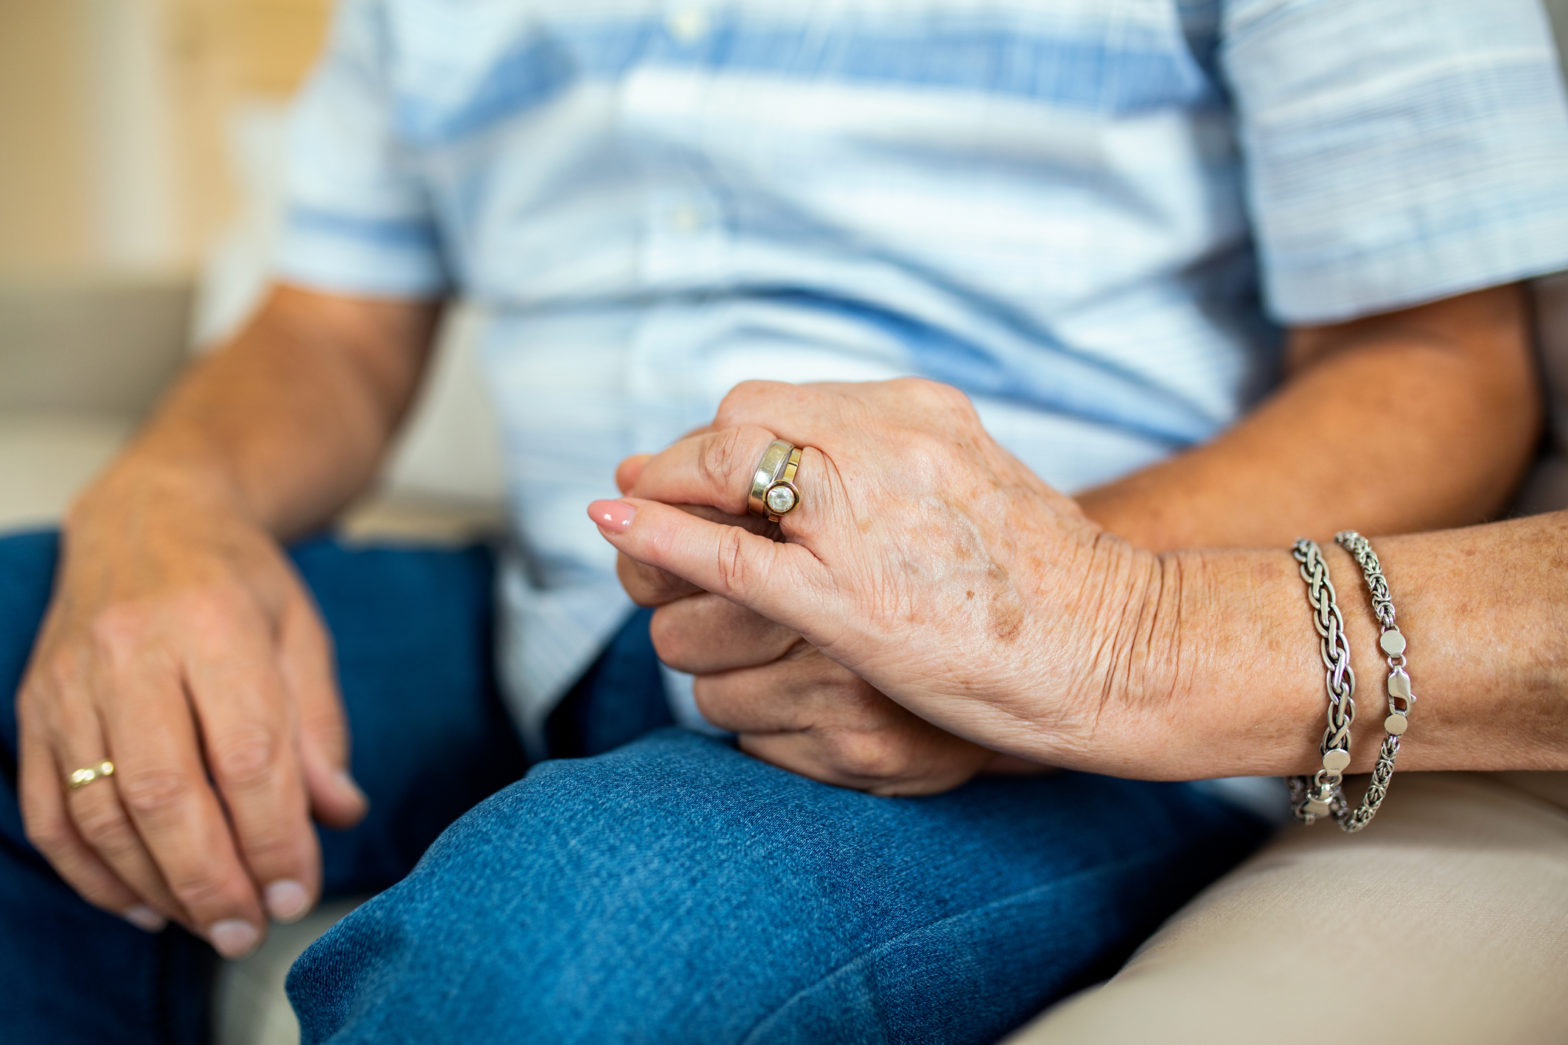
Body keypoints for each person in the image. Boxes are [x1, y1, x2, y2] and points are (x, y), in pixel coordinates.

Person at [3, 0, 1568, 1041]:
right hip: (541, 611)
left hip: (1035, 681)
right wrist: (162, 501)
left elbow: (1442, 359)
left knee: (553, 962)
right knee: (27, 648)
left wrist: (1051, 614)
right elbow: (334, 327)